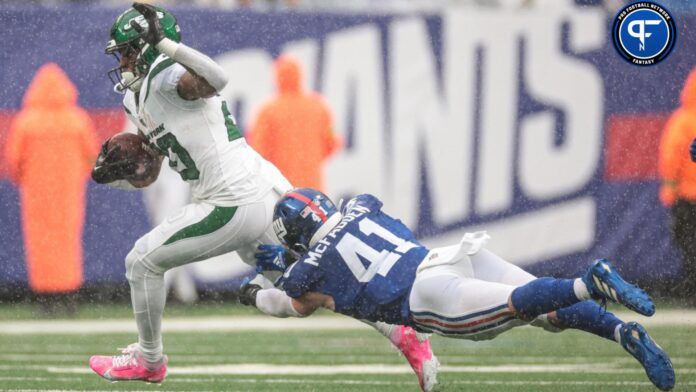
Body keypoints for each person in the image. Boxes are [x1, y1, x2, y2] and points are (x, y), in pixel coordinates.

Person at [88, 4, 437, 388]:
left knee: (141, 262)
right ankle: (401, 331)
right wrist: (134, 163)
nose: (122, 60)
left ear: (152, 45)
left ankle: (149, 359)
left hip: (230, 199)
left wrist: (166, 46)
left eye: (128, 50)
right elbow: (156, 161)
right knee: (308, 285)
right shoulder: (135, 98)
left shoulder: (166, 72)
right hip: (256, 189)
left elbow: (218, 77)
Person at [240, 188, 676, 392]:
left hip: (426, 297)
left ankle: (586, 283)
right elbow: (364, 203)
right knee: (550, 314)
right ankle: (624, 332)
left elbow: (292, 301)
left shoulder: (307, 271)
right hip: (449, 256)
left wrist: (254, 292)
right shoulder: (359, 206)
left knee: (517, 307)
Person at [4, 63, 98, 315]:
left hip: (36, 194)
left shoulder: (27, 121)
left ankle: (46, 298)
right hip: (69, 193)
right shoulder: (77, 119)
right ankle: (69, 296)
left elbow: (13, 161)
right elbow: (92, 158)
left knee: (41, 244)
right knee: (67, 242)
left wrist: (27, 179)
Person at [247, 55, 340, 191]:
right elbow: (332, 143)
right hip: (313, 188)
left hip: (282, 188)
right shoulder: (318, 106)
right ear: (300, 76)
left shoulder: (267, 111)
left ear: (277, 77)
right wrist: (310, 159)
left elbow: (258, 153)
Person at [662, 69, 696, 300]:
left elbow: (671, 157)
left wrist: (670, 189)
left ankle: (691, 290)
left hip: (687, 196)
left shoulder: (682, 121)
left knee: (689, 246)